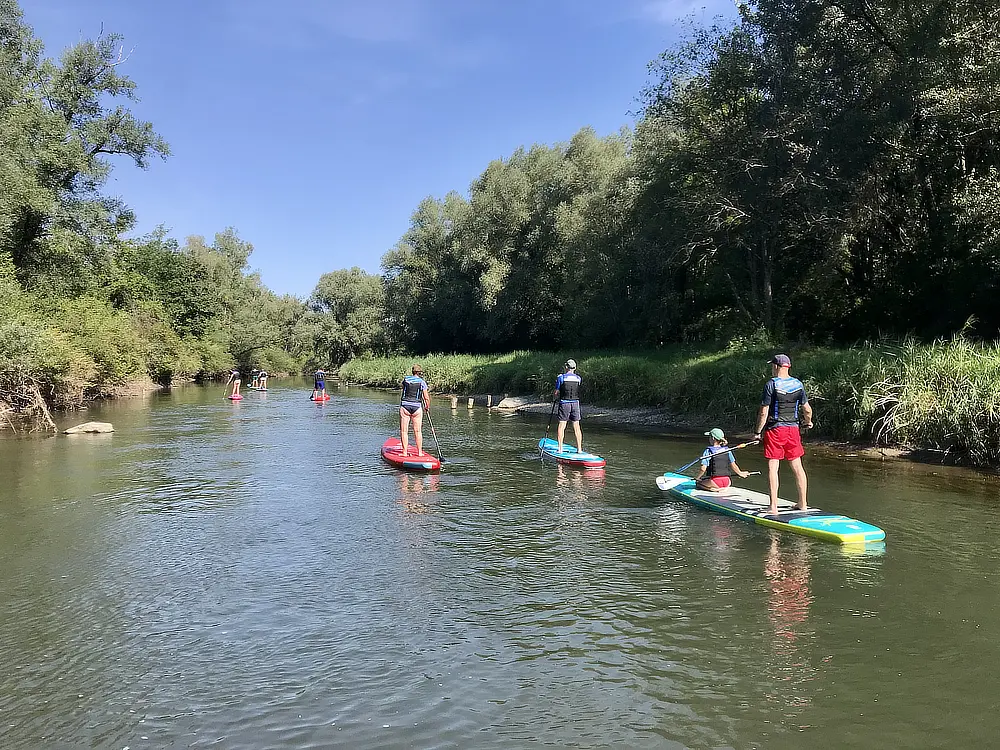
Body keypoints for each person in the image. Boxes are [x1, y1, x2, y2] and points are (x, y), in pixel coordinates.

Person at [753, 354, 813, 515]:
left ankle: (773, 507)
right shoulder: (798, 384)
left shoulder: (771, 385)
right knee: (798, 466)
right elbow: (807, 409)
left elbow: (764, 411)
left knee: (773, 467)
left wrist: (757, 432)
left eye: (772, 366)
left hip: (775, 429)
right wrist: (808, 422)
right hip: (793, 429)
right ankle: (803, 503)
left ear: (776, 366)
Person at [553, 359, 583, 454]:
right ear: (575, 368)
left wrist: (555, 395)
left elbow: (556, 392)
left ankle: (560, 449)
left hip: (564, 403)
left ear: (566, 367)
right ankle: (579, 449)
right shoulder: (578, 378)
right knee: (577, 427)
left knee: (562, 426)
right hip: (575, 404)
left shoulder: (561, 378)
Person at [399, 364, 430, 457]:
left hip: (405, 406)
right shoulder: (422, 382)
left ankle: (404, 453)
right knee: (418, 431)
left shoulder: (405, 379)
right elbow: (426, 398)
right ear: (420, 372)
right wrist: (427, 407)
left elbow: (404, 388)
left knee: (404, 431)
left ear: (412, 372)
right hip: (417, 407)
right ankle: (420, 453)